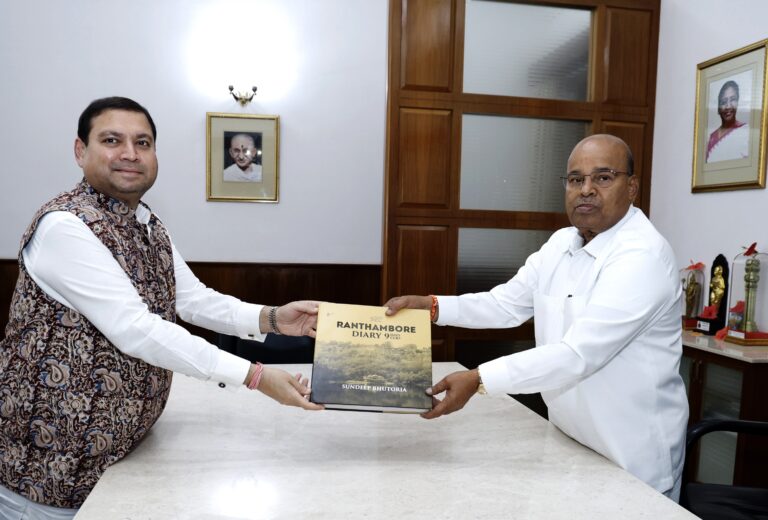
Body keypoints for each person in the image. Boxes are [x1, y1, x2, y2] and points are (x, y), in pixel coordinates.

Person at [0, 97, 322, 518]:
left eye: (143, 142)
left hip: (119, 464)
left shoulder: (146, 222)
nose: (130, 153)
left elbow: (192, 299)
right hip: (49, 480)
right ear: (81, 151)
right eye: (112, 140)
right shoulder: (65, 226)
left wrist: (275, 318)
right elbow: (136, 328)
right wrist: (255, 376)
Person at [386, 134, 689, 501]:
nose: (586, 190)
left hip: (631, 458)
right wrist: (433, 307)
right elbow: (505, 304)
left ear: (632, 187)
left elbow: (577, 355)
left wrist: (479, 378)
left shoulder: (643, 257)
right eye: (576, 179)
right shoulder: (562, 243)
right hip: (570, 444)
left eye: (603, 178)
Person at [706, 80, 749, 163]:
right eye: (723, 102)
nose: (728, 106)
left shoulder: (745, 131)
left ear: (738, 102)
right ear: (718, 109)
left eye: (733, 99)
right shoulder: (711, 138)